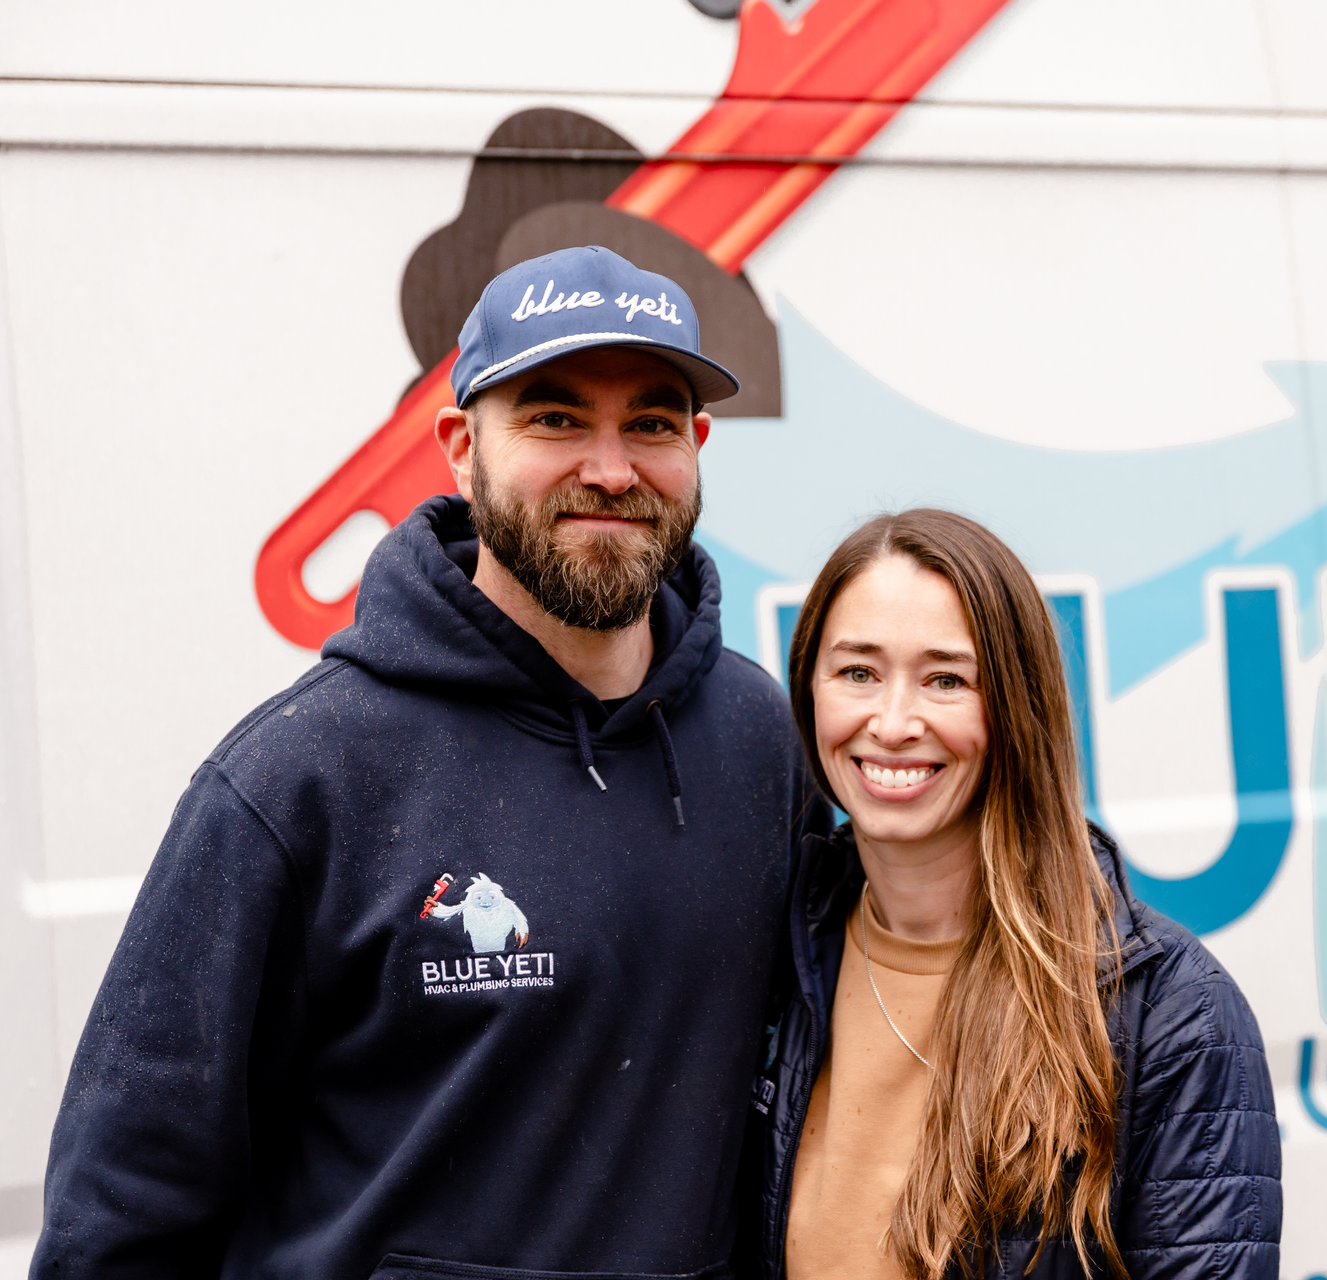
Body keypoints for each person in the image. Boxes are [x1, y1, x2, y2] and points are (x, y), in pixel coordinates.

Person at [33, 245, 824, 1277]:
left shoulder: (758, 737)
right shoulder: (296, 780)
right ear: (460, 445)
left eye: (651, 422)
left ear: (697, 444)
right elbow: (125, 1214)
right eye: (553, 418)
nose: (611, 467)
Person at [748, 509, 1279, 1279]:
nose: (892, 722)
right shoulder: (777, 953)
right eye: (857, 671)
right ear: (808, 691)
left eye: (946, 680)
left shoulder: (1165, 1009)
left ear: (1015, 710)